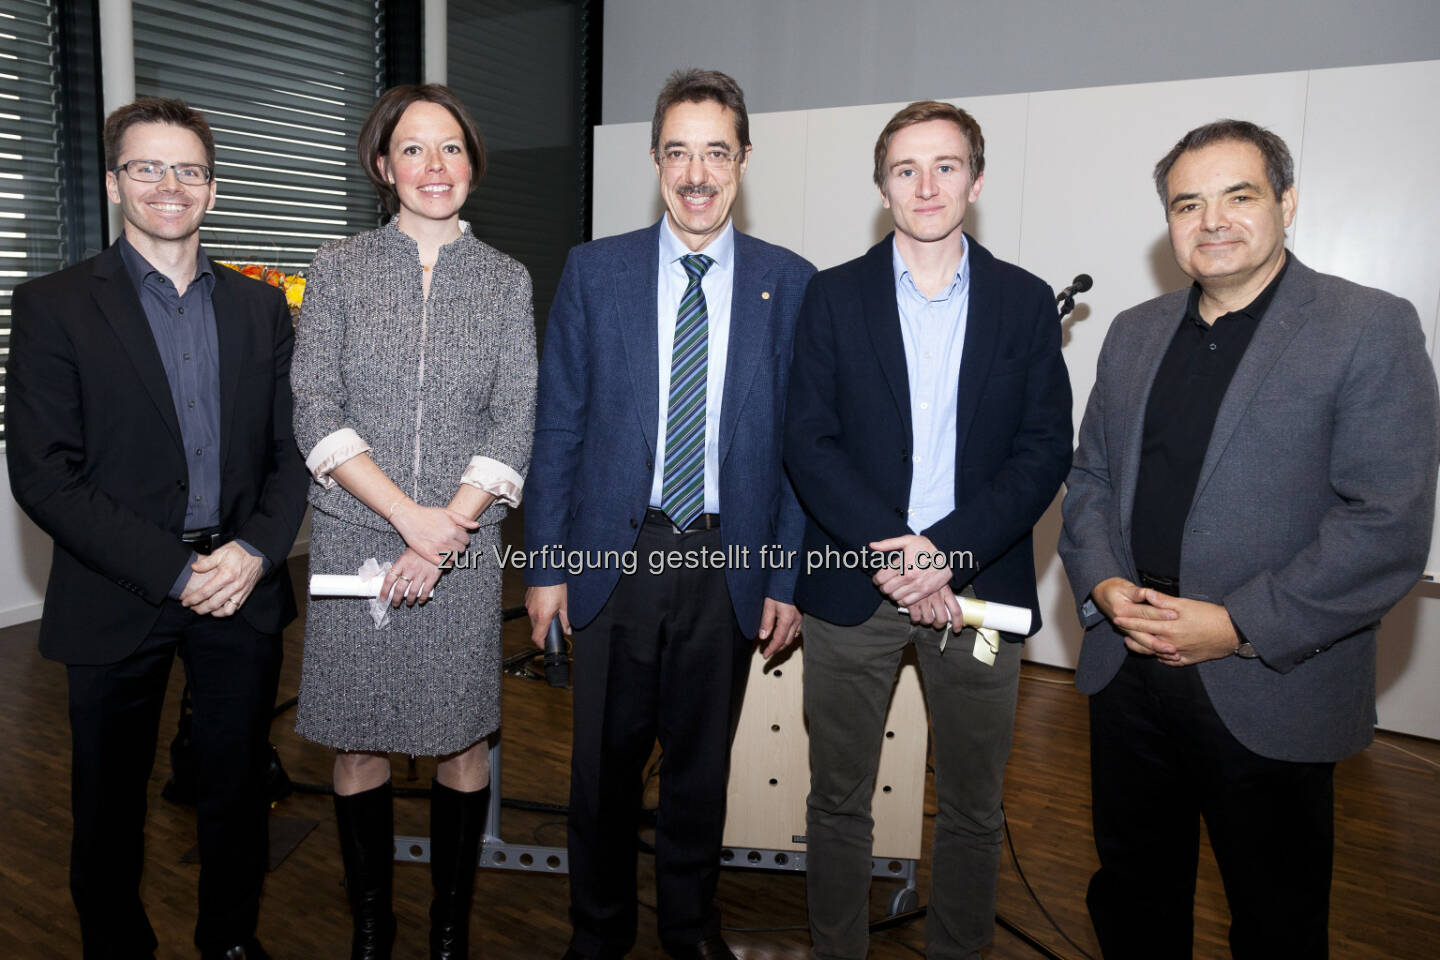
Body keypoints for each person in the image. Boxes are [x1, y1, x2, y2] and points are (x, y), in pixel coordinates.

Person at [1058, 119, 1440, 959]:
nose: (1212, 220)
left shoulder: (1366, 326)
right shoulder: (1132, 332)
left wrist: (1235, 625)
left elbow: (1386, 524)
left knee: (1275, 920)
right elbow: (1088, 482)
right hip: (1127, 671)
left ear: (1287, 202)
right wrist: (1103, 586)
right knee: (1133, 901)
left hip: (1267, 679)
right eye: (1187, 203)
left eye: (1239, 196)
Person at [5, 97, 308, 960]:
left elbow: (291, 454)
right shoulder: (53, 306)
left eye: (187, 170)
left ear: (212, 190)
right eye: (146, 167)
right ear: (113, 182)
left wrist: (251, 551)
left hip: (241, 588)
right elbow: (45, 475)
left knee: (235, 790)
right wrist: (176, 573)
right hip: (116, 588)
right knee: (108, 801)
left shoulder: (261, 309)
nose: (168, 185)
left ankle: (231, 941)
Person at [523, 68, 815, 960]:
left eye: (715, 152)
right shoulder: (594, 271)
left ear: (744, 160)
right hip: (616, 562)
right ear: (654, 159)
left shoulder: (790, 282)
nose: (696, 173)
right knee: (602, 780)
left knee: (699, 779)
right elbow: (559, 425)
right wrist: (542, 566)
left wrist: (787, 577)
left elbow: (804, 453)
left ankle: (692, 937)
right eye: (678, 151)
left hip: (726, 567)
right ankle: (598, 938)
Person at [783, 100, 1073, 960]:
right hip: (853, 588)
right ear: (882, 187)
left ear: (975, 182)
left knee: (977, 808)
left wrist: (944, 554)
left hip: (977, 594)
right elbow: (809, 440)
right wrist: (896, 548)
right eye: (906, 169)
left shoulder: (1024, 302)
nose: (926, 184)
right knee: (837, 802)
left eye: (946, 166)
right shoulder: (831, 297)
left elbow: (1043, 449)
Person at [289, 84, 536, 960]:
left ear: (472, 163)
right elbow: (314, 406)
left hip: (465, 551)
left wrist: (449, 529)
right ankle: (370, 927)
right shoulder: (338, 267)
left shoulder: (507, 280)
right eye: (415, 149)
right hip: (358, 541)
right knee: (357, 744)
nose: (436, 167)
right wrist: (407, 520)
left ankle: (447, 931)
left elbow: (514, 420)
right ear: (382, 164)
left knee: (464, 740)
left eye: (453, 149)